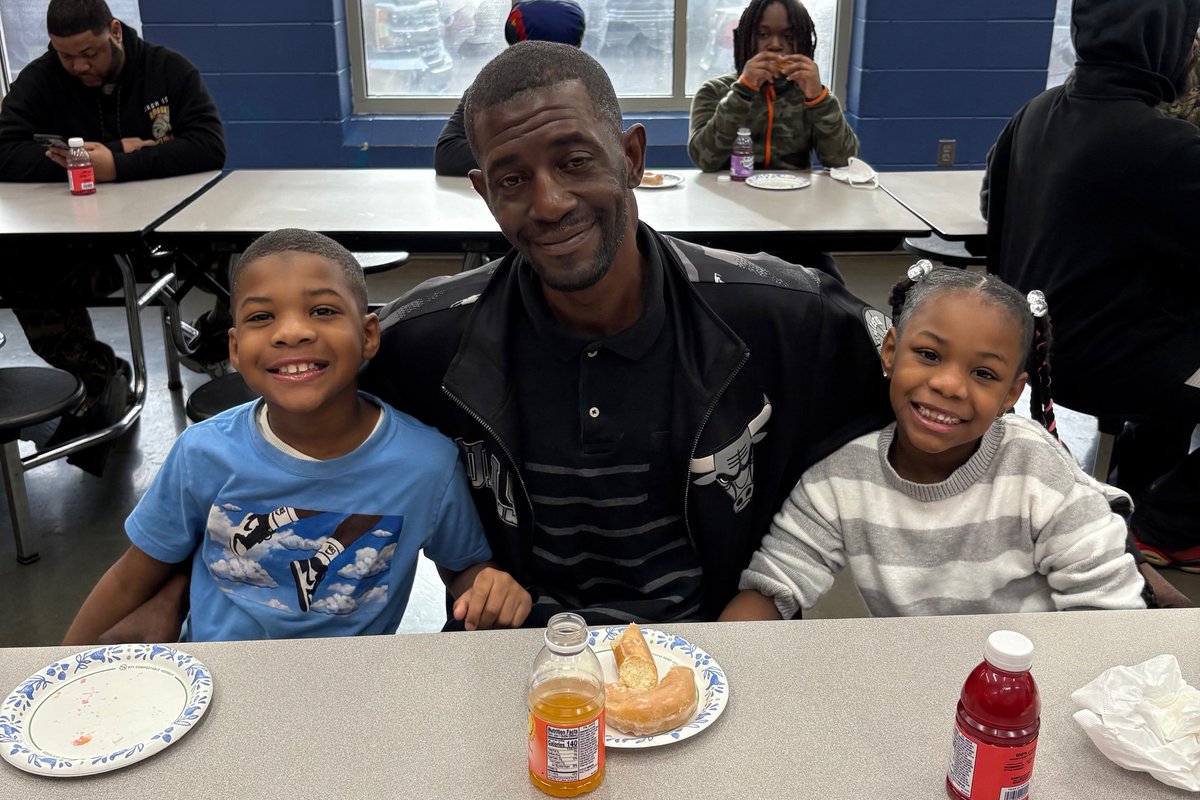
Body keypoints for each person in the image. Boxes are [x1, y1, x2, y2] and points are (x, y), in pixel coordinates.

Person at [364, 41, 893, 627]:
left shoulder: (782, 314)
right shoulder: (424, 341)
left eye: (575, 162)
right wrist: (462, 572)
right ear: (486, 194)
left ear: (631, 156)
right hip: (513, 655)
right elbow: (293, 446)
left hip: (718, 650)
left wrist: (776, 589)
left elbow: (944, 392)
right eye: (512, 179)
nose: (549, 202)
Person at [62, 229, 531, 644]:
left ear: (368, 334)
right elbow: (131, 580)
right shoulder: (200, 452)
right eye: (261, 317)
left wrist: (487, 586)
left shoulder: (428, 463)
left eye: (323, 310)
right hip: (216, 683)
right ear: (234, 348)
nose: (291, 332)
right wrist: (53, 671)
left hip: (352, 693)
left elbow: (462, 566)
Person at [721, 267, 1148, 620]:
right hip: (919, 679)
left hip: (1033, 678)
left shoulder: (1036, 468)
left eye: (984, 374)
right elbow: (774, 585)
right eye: (929, 354)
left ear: (1011, 395)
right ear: (890, 351)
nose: (948, 385)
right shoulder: (840, 479)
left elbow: (1111, 611)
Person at [984, 0, 1200, 571]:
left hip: (1031, 350)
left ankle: (1140, 490)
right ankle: (1169, 524)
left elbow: (991, 207)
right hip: (1113, 367)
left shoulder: (1034, 112)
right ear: (1165, 41)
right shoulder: (1170, 148)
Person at [0, 0, 228, 475]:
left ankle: (213, 341)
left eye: (89, 52)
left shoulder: (167, 70)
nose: (80, 66)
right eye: (66, 56)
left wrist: (118, 167)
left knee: (242, 253)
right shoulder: (42, 80)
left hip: (169, 238)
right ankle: (99, 376)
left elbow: (209, 146)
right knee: (17, 267)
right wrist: (89, 158)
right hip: (80, 245)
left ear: (115, 31)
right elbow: (4, 150)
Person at [687, 0, 858, 173]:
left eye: (789, 37)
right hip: (730, 195)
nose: (775, 45)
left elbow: (842, 161)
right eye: (762, 34)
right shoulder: (714, 91)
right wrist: (742, 92)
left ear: (803, 42)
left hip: (795, 196)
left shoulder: (809, 94)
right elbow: (703, 159)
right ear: (746, 39)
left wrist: (818, 99)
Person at [434, 0, 587, 176]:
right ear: (577, 46)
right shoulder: (491, 86)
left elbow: (448, 154)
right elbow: (448, 155)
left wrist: (512, 155)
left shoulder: (590, 88)